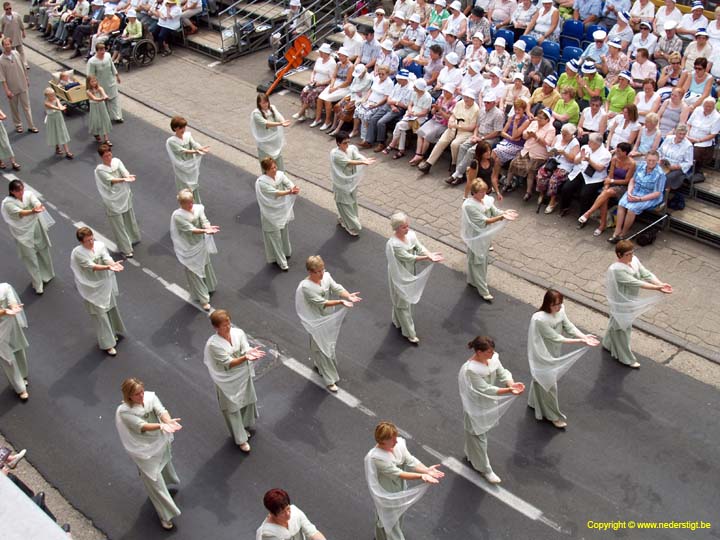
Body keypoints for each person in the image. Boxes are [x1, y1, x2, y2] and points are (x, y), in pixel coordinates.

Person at [115, 378, 182, 530]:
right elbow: (142, 426)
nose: (141, 396)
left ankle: (168, 481)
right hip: (143, 450)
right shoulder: (124, 412)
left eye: (142, 392)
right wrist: (162, 425)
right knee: (154, 480)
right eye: (137, 394)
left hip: (158, 442)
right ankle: (165, 515)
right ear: (129, 396)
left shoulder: (150, 397)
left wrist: (168, 421)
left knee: (164, 463)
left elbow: (161, 410)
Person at [527, 290, 599, 428]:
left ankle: (534, 402)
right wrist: (581, 341)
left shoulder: (560, 311)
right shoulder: (540, 319)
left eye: (560, 304)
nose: (559, 307)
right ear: (548, 304)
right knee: (550, 385)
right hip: (542, 355)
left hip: (553, 352)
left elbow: (568, 326)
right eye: (556, 305)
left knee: (540, 379)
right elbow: (555, 337)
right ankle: (553, 416)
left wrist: (584, 336)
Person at [459, 336, 524, 484]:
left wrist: (511, 384)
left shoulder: (492, 358)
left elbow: (502, 372)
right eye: (488, 352)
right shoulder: (471, 369)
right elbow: (485, 389)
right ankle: (485, 469)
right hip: (476, 403)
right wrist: (509, 390)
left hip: (487, 402)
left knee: (475, 432)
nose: (492, 354)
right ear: (479, 352)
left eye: (492, 351)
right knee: (479, 434)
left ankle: (471, 454)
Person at [365, 421, 444, 540]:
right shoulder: (377, 458)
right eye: (392, 439)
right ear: (382, 441)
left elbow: (410, 460)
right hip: (387, 494)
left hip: (399, 490)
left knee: (391, 518)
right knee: (391, 524)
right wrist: (421, 476)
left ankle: (381, 537)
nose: (396, 441)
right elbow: (399, 473)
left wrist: (426, 470)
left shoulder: (398, 444)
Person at [296, 255, 361, 393]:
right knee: (322, 346)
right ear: (310, 272)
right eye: (318, 271)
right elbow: (322, 303)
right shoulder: (306, 287)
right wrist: (340, 302)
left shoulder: (326, 277)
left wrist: (348, 296)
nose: (321, 273)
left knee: (322, 344)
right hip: (316, 320)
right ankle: (329, 379)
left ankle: (319, 364)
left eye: (322, 270)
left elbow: (337, 288)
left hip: (327, 318)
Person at [603, 240, 672, 368]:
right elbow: (636, 282)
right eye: (628, 254)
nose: (631, 256)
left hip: (629, 300)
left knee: (617, 323)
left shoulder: (634, 260)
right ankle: (625, 358)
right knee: (623, 328)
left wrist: (660, 283)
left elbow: (645, 273)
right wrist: (657, 288)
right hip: (622, 302)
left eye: (632, 253)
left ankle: (608, 343)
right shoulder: (617, 270)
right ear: (619, 255)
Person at [204, 310, 265, 453]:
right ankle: (241, 439)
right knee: (232, 408)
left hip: (243, 374)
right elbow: (228, 363)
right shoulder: (214, 345)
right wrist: (246, 358)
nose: (228, 327)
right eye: (224, 325)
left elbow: (245, 347)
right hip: (227, 380)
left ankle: (244, 425)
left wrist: (249, 352)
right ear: (216, 328)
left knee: (247, 400)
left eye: (228, 323)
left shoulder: (238, 333)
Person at [386, 212, 443, 344]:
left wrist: (428, 253)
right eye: (404, 227)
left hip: (409, 271)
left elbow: (419, 246)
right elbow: (408, 257)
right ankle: (409, 333)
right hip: (399, 273)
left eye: (407, 226)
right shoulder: (394, 244)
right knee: (402, 302)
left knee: (401, 300)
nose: (407, 229)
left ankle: (397, 321)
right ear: (397, 228)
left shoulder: (410, 235)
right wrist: (428, 257)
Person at [70, 226, 125, 356]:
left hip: (105, 283)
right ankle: (108, 344)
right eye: (87, 241)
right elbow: (92, 266)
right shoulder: (78, 253)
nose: (91, 242)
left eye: (92, 239)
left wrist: (112, 264)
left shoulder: (99, 245)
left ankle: (113, 332)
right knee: (100, 315)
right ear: (81, 242)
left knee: (111, 307)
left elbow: (106, 257)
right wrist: (109, 267)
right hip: (92, 288)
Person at [461, 180, 517, 301]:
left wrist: (504, 213)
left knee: (478, 260)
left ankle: (472, 280)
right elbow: (484, 221)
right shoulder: (469, 206)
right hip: (476, 236)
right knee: (478, 261)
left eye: (485, 191)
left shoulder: (486, 199)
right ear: (474, 192)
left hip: (484, 236)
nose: (484, 193)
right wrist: (502, 217)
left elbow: (494, 211)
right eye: (481, 192)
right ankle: (483, 289)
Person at [2, 180, 55, 295]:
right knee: (30, 259)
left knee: (43, 250)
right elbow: (20, 213)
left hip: (36, 227)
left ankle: (48, 274)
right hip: (22, 234)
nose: (21, 192)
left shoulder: (28, 194)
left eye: (22, 189)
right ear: (12, 191)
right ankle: (38, 284)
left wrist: (38, 206)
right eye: (18, 191)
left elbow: (35, 201)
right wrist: (33, 210)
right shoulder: (8, 203)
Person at [170, 189, 219, 311]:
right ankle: (203, 299)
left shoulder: (198, 208)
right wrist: (205, 231)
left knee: (205, 264)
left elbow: (204, 220)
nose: (191, 204)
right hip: (189, 246)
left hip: (200, 243)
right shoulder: (178, 216)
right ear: (182, 204)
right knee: (193, 271)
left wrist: (208, 227)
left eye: (191, 201)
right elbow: (190, 229)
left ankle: (209, 286)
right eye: (188, 203)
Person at [577, 142, 635, 236]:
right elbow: (610, 175)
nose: (616, 152)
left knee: (605, 193)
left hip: (622, 186)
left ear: (625, 152)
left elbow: (626, 181)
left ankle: (588, 213)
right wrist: (607, 185)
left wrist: (610, 182)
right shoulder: (615, 159)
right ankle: (602, 224)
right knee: (605, 196)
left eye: (619, 151)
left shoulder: (632, 164)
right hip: (611, 184)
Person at [608, 150, 666, 242]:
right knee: (621, 204)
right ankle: (617, 231)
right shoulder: (641, 166)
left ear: (658, 160)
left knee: (631, 209)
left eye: (654, 161)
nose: (651, 162)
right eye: (649, 160)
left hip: (649, 196)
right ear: (646, 159)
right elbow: (632, 180)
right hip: (635, 191)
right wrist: (630, 192)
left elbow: (657, 193)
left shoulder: (660, 174)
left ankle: (623, 234)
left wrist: (639, 199)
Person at [94, 144, 141, 258]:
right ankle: (126, 249)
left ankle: (133, 237)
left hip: (124, 195)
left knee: (129, 218)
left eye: (109, 154)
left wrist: (127, 175)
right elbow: (111, 180)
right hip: (112, 200)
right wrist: (125, 179)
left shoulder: (117, 161)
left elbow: (124, 171)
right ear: (101, 157)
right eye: (105, 156)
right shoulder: (100, 170)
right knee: (118, 225)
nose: (108, 158)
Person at [417, 89, 479, 175]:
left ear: (473, 99)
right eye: (465, 97)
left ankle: (453, 163)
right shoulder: (459, 103)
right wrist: (451, 121)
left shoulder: (476, 109)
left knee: (455, 144)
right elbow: (453, 115)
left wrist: (457, 126)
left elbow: (471, 127)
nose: (466, 99)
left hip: (465, 131)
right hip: (453, 127)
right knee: (442, 141)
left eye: (468, 98)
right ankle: (429, 163)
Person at [255, 157, 299, 271]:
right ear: (266, 170)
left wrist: (293, 187)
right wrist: (289, 191)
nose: (274, 169)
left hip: (280, 210)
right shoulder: (262, 183)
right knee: (275, 237)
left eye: (274, 166)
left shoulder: (279, 175)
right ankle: (281, 261)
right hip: (269, 213)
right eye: (271, 168)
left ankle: (286, 252)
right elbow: (276, 193)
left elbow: (287, 182)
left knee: (284, 232)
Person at [330, 131, 375, 237]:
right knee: (345, 204)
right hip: (341, 184)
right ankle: (350, 226)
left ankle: (342, 218)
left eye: (348, 142)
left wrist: (364, 159)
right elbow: (349, 162)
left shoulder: (350, 149)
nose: (347, 145)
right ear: (338, 143)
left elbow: (357, 156)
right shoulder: (336, 154)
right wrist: (363, 162)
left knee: (352, 202)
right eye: (344, 143)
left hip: (351, 183)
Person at [558, 132, 611, 217]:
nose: (588, 143)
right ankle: (564, 208)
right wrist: (580, 157)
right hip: (580, 172)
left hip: (594, 178)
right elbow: (575, 161)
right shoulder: (585, 147)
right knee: (566, 188)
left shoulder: (606, 154)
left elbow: (600, 168)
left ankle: (583, 216)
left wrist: (589, 160)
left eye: (590, 142)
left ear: (597, 143)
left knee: (584, 195)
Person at [536, 123, 580, 214]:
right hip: (553, 162)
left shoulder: (575, 143)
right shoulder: (558, 137)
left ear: (571, 135)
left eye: (565, 135)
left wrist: (564, 153)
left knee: (554, 179)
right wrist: (553, 152)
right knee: (541, 173)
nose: (563, 136)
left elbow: (573, 159)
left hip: (565, 165)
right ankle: (542, 193)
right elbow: (550, 151)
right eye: (562, 133)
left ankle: (553, 201)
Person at [166, 116, 209, 203]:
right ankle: (187, 207)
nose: (183, 129)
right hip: (182, 167)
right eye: (180, 127)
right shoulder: (171, 141)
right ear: (175, 128)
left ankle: (197, 205)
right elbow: (182, 151)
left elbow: (194, 144)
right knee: (185, 188)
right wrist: (195, 151)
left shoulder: (188, 135)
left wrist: (200, 148)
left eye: (184, 127)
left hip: (191, 167)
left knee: (194, 186)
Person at [257, 489, 326, 540]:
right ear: (272, 513)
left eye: (288, 508)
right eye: (282, 513)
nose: (288, 514)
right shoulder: (267, 534)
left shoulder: (295, 512)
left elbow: (313, 532)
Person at [0, 37, 36, 133]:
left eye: (8, 44)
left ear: (11, 44)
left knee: (27, 107)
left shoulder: (16, 53)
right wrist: (7, 90)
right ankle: (18, 125)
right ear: (2, 46)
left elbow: (23, 67)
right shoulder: (1, 60)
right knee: (14, 108)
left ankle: (31, 126)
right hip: (12, 88)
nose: (7, 46)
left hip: (22, 84)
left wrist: (26, 78)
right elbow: (2, 78)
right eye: (5, 44)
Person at [0, 282, 29, 400]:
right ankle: (20, 388)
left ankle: (23, 374)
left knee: (18, 348)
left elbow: (12, 300)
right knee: (7, 359)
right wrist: (5, 311)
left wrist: (14, 306)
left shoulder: (4, 287)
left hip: (10, 323)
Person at [294, 43, 336, 124]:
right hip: (315, 82)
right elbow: (314, 71)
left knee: (311, 94)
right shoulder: (319, 60)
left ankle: (300, 113)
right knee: (304, 92)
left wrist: (320, 83)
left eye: (321, 52)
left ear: (326, 53)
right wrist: (311, 79)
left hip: (324, 85)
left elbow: (332, 79)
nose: (320, 53)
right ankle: (303, 114)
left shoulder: (332, 63)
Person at [316, 47, 353, 132]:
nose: (340, 58)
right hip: (336, 83)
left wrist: (335, 88)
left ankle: (327, 121)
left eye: (342, 56)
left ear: (346, 56)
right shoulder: (338, 64)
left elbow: (347, 81)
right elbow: (334, 76)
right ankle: (317, 119)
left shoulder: (351, 66)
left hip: (344, 87)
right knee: (320, 98)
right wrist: (332, 85)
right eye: (339, 56)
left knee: (327, 100)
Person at [251, 94, 290, 173]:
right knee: (267, 166)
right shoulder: (256, 114)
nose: (266, 104)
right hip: (265, 145)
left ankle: (282, 179)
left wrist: (283, 121)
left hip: (274, 142)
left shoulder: (272, 108)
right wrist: (280, 124)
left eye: (266, 102)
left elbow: (278, 116)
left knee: (280, 166)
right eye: (263, 103)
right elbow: (266, 124)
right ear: (259, 103)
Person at [87, 42, 123, 122]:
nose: (103, 52)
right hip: (101, 85)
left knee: (114, 99)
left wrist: (117, 76)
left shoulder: (108, 56)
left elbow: (112, 66)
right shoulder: (92, 62)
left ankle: (117, 116)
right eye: (100, 50)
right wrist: (93, 86)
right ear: (97, 51)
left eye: (103, 49)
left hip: (111, 81)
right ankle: (106, 117)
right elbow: (90, 75)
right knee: (104, 101)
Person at [657, 124, 694, 192]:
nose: (681, 136)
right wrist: (659, 159)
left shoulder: (688, 146)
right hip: (662, 164)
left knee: (664, 178)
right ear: (675, 132)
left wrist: (677, 167)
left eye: (684, 134)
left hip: (676, 168)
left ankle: (661, 195)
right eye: (680, 134)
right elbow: (659, 151)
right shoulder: (668, 138)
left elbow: (689, 163)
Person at [42, 87, 73, 159]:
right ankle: (57, 147)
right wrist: (61, 108)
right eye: (51, 95)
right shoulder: (46, 103)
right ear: (47, 96)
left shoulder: (56, 99)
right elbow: (54, 107)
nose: (53, 96)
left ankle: (67, 151)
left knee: (62, 133)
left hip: (58, 118)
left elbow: (59, 105)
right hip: (52, 119)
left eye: (53, 94)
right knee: (55, 132)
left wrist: (61, 107)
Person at [86, 74, 112, 145]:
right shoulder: (88, 91)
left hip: (101, 106)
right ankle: (96, 133)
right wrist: (102, 99)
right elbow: (94, 99)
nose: (94, 83)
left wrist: (106, 96)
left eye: (95, 81)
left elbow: (104, 94)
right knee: (96, 121)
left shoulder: (100, 88)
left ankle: (106, 139)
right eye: (92, 81)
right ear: (88, 83)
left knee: (104, 120)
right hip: (94, 107)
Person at [0, 2, 27, 69]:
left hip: (17, 36)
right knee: (10, 52)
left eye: (10, 8)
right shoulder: (2, 18)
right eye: (7, 9)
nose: (9, 10)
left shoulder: (16, 15)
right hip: (9, 38)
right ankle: (13, 64)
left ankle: (24, 64)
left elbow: (21, 24)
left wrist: (23, 31)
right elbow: (1, 28)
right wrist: (1, 34)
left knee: (21, 51)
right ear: (4, 9)